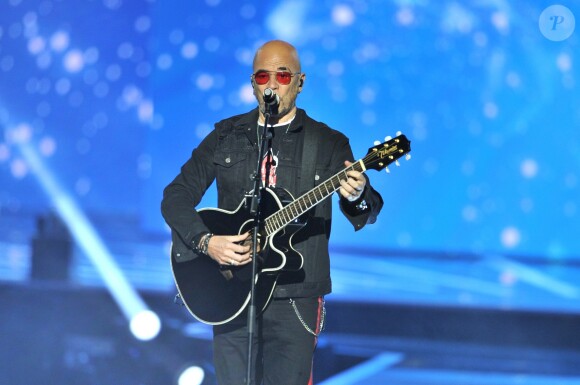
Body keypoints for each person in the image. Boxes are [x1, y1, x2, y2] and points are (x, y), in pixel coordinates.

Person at [161, 40, 384, 385]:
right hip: (232, 289)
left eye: (282, 75)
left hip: (295, 294)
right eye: (263, 76)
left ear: (300, 82)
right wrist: (207, 242)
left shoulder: (327, 142)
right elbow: (175, 197)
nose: (272, 84)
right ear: (252, 83)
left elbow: (365, 210)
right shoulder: (225, 136)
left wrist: (356, 195)